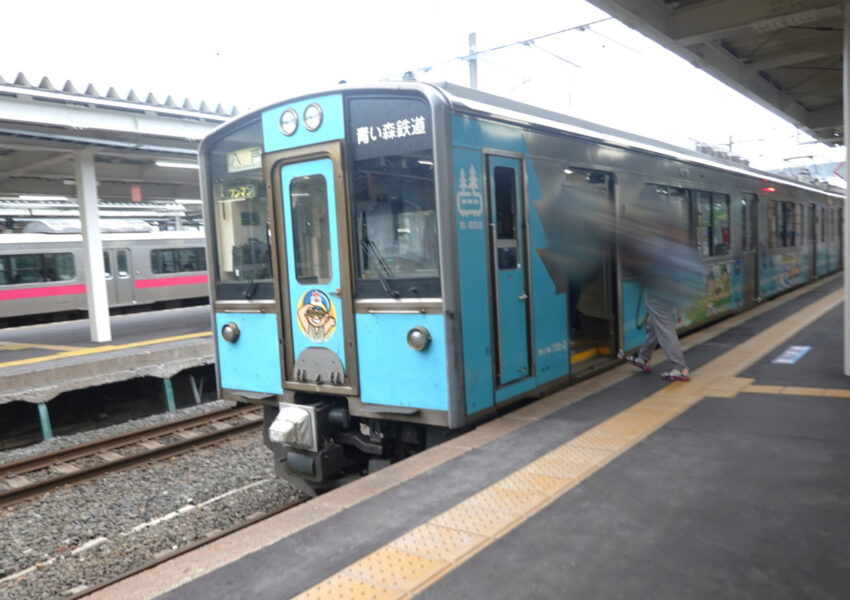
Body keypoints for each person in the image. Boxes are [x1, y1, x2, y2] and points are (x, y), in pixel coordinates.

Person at [626, 290, 690, 381]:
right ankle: (644, 357)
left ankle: (679, 368)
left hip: (658, 287)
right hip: (666, 286)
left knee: (664, 326)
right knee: (656, 321)